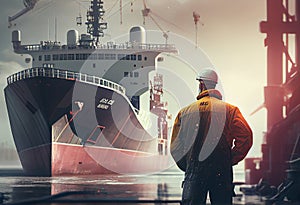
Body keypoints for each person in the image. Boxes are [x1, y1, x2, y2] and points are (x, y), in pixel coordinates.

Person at [170, 68, 253, 205]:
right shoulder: (231, 111)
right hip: (221, 171)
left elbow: (176, 146)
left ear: (201, 84)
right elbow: (246, 138)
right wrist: (229, 159)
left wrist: (188, 165)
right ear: (214, 85)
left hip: (195, 170)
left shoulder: (184, 112)